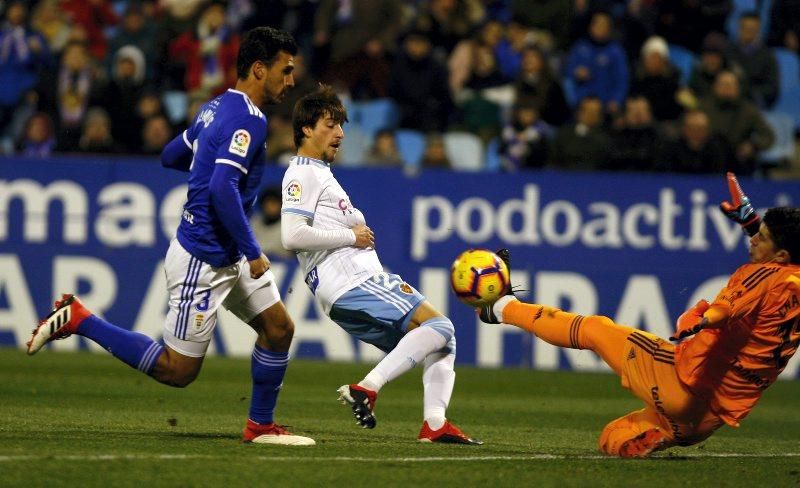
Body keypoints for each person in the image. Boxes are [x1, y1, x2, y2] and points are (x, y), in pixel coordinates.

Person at [26, 27, 315, 446]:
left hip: (225, 251)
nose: (290, 81)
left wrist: (206, 170)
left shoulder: (213, 108)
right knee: (177, 370)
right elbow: (220, 188)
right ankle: (79, 318)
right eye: (285, 71)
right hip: (206, 257)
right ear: (258, 68)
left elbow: (171, 155)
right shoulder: (249, 120)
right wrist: (253, 250)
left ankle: (260, 425)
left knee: (278, 328)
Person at [474, 175, 800, 457]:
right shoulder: (792, 277)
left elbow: (728, 307)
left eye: (763, 237)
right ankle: (657, 436)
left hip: (686, 384)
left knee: (595, 330)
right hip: (708, 418)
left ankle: (500, 308)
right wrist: (751, 223)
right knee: (611, 436)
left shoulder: (764, 275)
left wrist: (705, 319)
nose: (754, 240)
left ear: (781, 255)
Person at [280, 85, 480, 444]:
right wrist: (351, 237)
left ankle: (435, 423)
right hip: (353, 280)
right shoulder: (303, 173)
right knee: (442, 325)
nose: (340, 133)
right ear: (307, 129)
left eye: (342, 125)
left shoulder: (318, 173)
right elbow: (292, 236)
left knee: (439, 342)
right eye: (330, 124)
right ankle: (367, 388)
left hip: (344, 288)